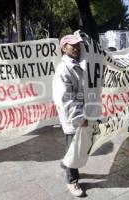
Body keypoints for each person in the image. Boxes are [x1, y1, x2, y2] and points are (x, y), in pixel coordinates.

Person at [52, 34, 87, 197]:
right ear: (64, 48)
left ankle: (66, 163)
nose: (76, 48)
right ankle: (72, 181)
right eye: (72, 45)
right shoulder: (63, 69)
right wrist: (79, 117)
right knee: (74, 149)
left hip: (81, 112)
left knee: (77, 147)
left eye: (78, 45)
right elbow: (65, 98)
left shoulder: (79, 63)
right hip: (73, 116)